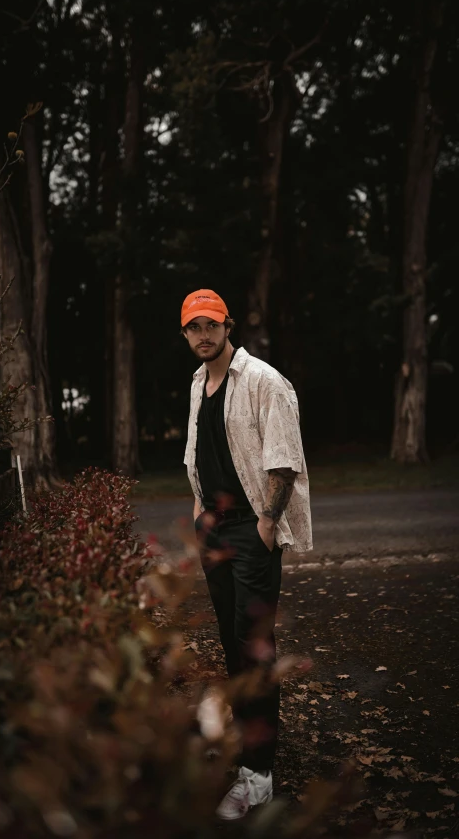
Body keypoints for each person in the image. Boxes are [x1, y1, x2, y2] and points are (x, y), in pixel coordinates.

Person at [182, 289, 312, 820]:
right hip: (214, 533)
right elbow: (198, 453)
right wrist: (196, 511)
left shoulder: (263, 380)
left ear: (228, 325)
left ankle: (257, 778)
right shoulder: (198, 383)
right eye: (194, 328)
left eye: (211, 324)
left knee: (253, 647)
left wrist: (265, 523)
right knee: (233, 646)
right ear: (186, 334)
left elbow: (284, 462)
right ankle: (246, 747)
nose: (203, 335)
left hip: (250, 531)